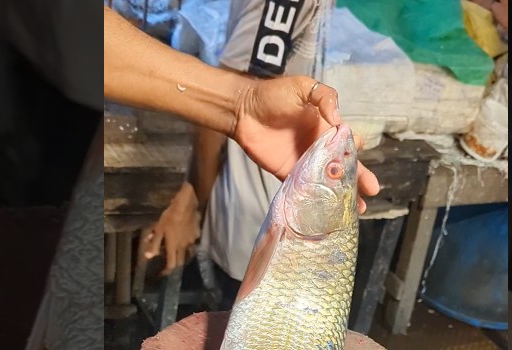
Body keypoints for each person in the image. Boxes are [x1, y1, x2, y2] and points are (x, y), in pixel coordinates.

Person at [107, 4, 378, 299]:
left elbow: (243, 94)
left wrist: (194, 191)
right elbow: (240, 83)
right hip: (261, 217)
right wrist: (198, 196)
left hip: (275, 215)